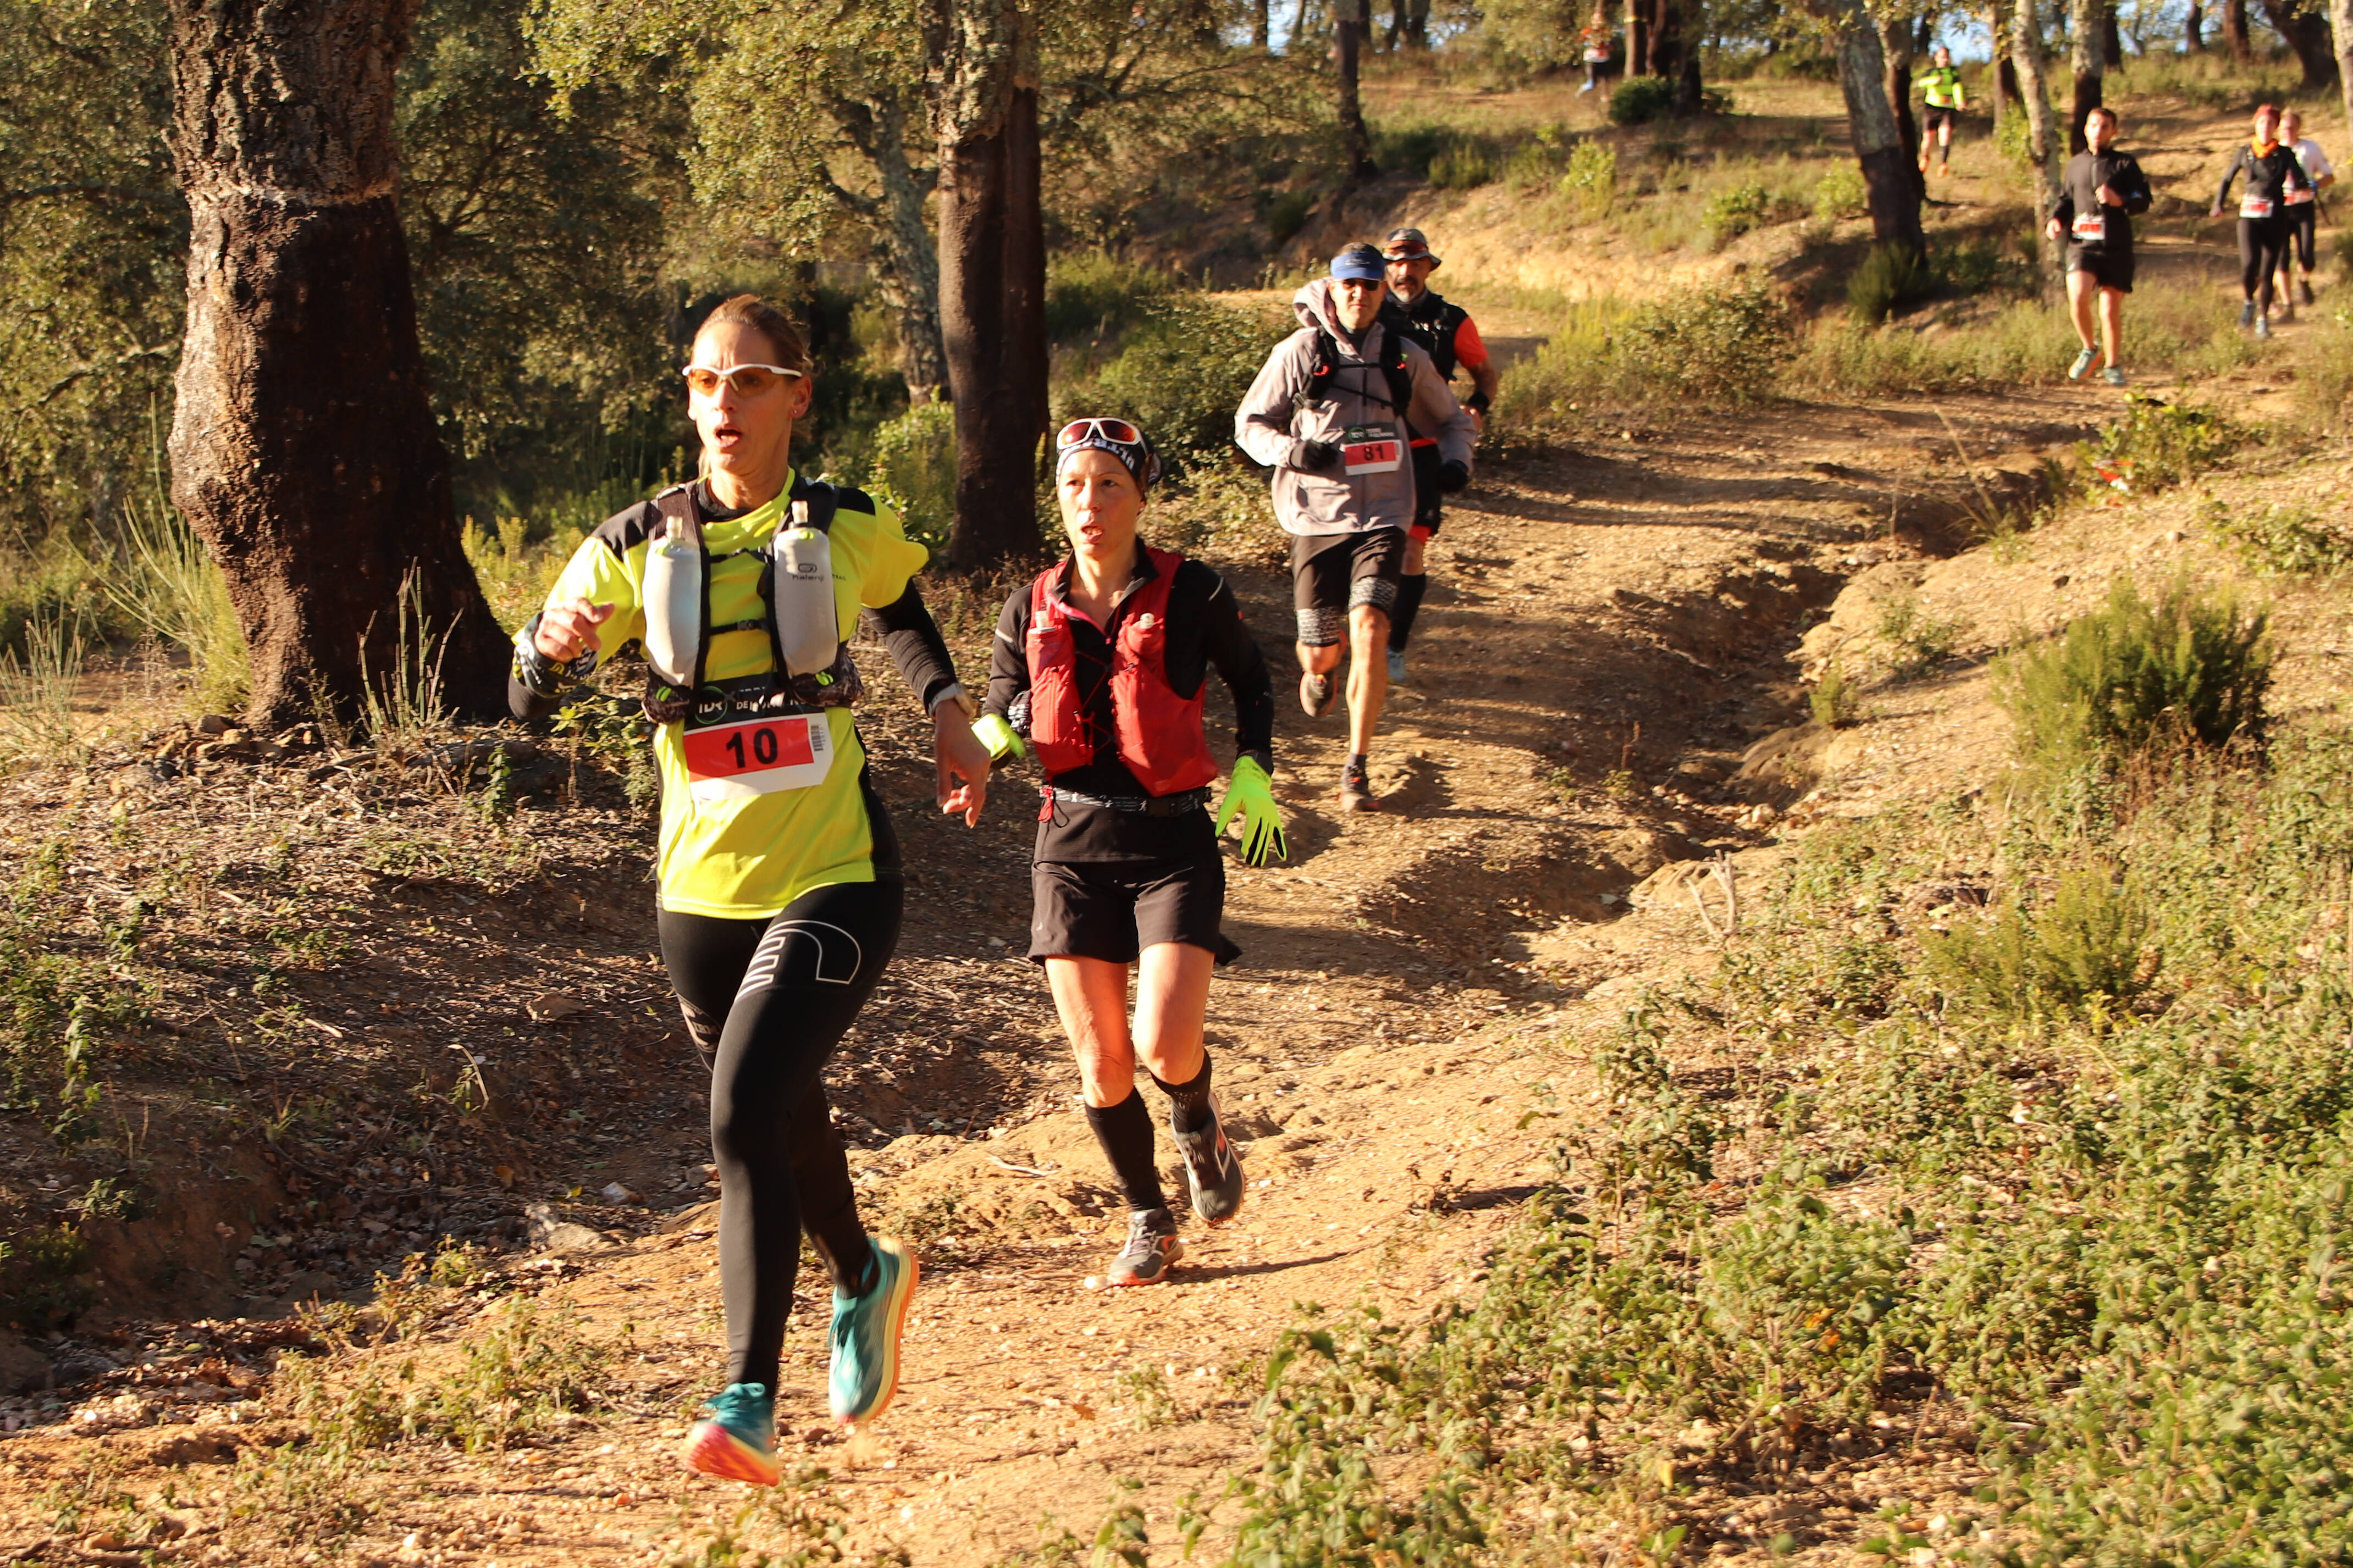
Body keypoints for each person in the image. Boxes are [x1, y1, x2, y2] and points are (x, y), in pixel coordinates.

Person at [509, 294, 996, 1484]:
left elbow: (903, 615)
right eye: (703, 382)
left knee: (740, 1111)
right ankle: (865, 1273)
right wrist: (546, 643)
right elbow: (522, 705)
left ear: (797, 396)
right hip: (697, 893)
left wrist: (944, 713)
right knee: (779, 1109)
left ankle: (746, 1397)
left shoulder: (843, 524)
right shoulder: (629, 545)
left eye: (748, 381)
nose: (720, 404)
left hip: (834, 873)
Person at [974, 417, 1286, 1287]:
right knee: (1102, 1060)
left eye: (1110, 484)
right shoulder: (1028, 601)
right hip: (1069, 843)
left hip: (1175, 838)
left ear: (1141, 495)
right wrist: (980, 755)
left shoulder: (1196, 591)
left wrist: (1254, 770)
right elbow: (1004, 704)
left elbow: (1253, 681)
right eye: (1075, 485)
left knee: (1162, 1045)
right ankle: (1149, 1218)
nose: (1091, 502)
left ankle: (1198, 1115)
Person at [1234, 244, 1474, 811]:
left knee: (1370, 625)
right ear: (1333, 286)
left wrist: (1456, 460)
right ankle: (1320, 673)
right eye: (1349, 285)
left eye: (1369, 286)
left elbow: (1449, 419)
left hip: (1387, 511)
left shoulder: (1403, 355)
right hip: (1317, 514)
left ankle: (1356, 766)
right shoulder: (1300, 351)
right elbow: (1249, 423)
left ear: (1381, 290)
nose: (1359, 295)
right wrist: (1293, 452)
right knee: (1320, 653)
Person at [1377, 226, 1498, 686]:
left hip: (1424, 447)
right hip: (1369, 446)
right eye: (1397, 263)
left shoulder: (1452, 319)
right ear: (1386, 268)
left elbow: (1485, 373)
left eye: (1415, 263)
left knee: (1411, 549)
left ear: (1430, 266)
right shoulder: (1365, 310)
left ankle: (1393, 647)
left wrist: (1476, 407)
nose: (1406, 272)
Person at [2046, 104, 2152, 388]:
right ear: (2085, 129)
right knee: (2078, 296)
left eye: (2105, 127)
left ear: (2114, 132)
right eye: (2094, 126)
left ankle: (2113, 365)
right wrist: (2056, 219)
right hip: (2082, 245)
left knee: (2108, 310)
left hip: (2115, 247)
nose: (2098, 131)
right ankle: (2089, 348)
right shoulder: (2075, 165)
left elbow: (2143, 199)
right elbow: (2065, 199)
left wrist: (2121, 201)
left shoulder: (2125, 164)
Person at [2212, 102, 2312, 339]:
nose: (2265, 127)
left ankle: (2263, 320)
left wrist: (2304, 186)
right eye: (2261, 123)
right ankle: (2249, 302)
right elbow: (2226, 179)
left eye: (2270, 123)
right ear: (2255, 125)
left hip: (2276, 217)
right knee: (2249, 266)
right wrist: (2218, 204)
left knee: (2268, 273)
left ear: (2276, 127)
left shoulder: (2285, 154)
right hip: (2248, 217)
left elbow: (2299, 177)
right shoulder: (2245, 152)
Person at [2275, 109, 2333, 312]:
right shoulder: (2273, 150)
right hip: (2280, 209)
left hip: (2304, 207)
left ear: (2299, 128)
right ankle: (2287, 304)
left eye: (2291, 128)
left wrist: (2315, 186)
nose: (2287, 132)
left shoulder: (2310, 148)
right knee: (2281, 258)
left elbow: (2329, 175)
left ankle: (2303, 280)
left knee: (2307, 256)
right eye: (2283, 128)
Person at [1916, 45, 1967, 178]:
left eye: (1947, 57)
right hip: (1931, 108)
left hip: (1948, 108)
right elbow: (1920, 83)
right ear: (1936, 58)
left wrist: (1959, 101)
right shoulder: (1931, 72)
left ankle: (1943, 164)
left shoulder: (1953, 73)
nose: (1945, 59)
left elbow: (1957, 87)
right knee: (1928, 138)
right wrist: (1934, 81)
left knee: (1946, 134)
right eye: (1942, 56)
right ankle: (1925, 158)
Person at [1579, 9, 1612, 93]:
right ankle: (1581, 92)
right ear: (1593, 21)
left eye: (1600, 19)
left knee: (1605, 81)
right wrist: (1589, 41)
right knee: (1592, 83)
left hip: (1604, 59)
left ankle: (1605, 98)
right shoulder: (1587, 31)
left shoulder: (1606, 32)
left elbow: (1612, 46)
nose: (1599, 21)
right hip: (1591, 59)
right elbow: (1580, 41)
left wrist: (1606, 46)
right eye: (1596, 19)